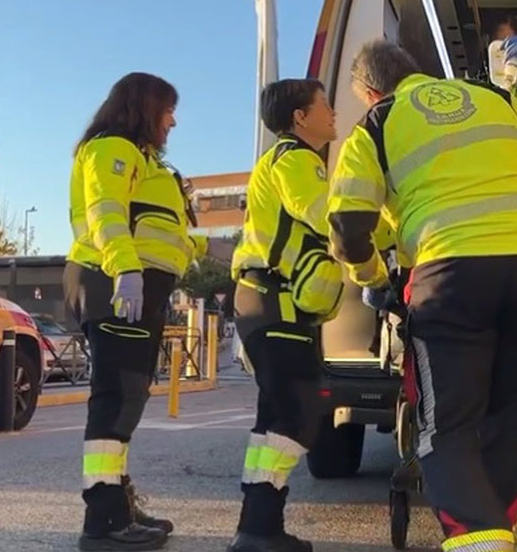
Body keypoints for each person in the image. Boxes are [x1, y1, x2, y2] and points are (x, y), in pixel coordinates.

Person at [327, 40, 517, 552]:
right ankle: (496, 533)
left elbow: (349, 228)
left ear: (371, 92)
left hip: (452, 273)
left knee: (447, 430)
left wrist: (374, 281)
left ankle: (482, 543)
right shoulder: (496, 100)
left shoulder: (376, 123)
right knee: (512, 422)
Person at [65, 72, 205, 551]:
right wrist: (126, 269)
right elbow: (106, 213)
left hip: (133, 286)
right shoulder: (112, 148)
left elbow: (159, 232)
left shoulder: (145, 160)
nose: (173, 121)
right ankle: (103, 520)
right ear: (144, 107)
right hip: (115, 282)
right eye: (168, 110)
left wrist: (201, 249)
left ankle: (117, 505)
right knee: (116, 399)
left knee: (128, 398)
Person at [228, 79, 345, 552]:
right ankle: (258, 529)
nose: (333, 112)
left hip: (263, 299)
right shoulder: (295, 158)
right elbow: (327, 214)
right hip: (275, 300)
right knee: (297, 413)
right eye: (325, 105)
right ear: (300, 117)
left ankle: (258, 527)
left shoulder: (284, 158)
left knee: (275, 417)